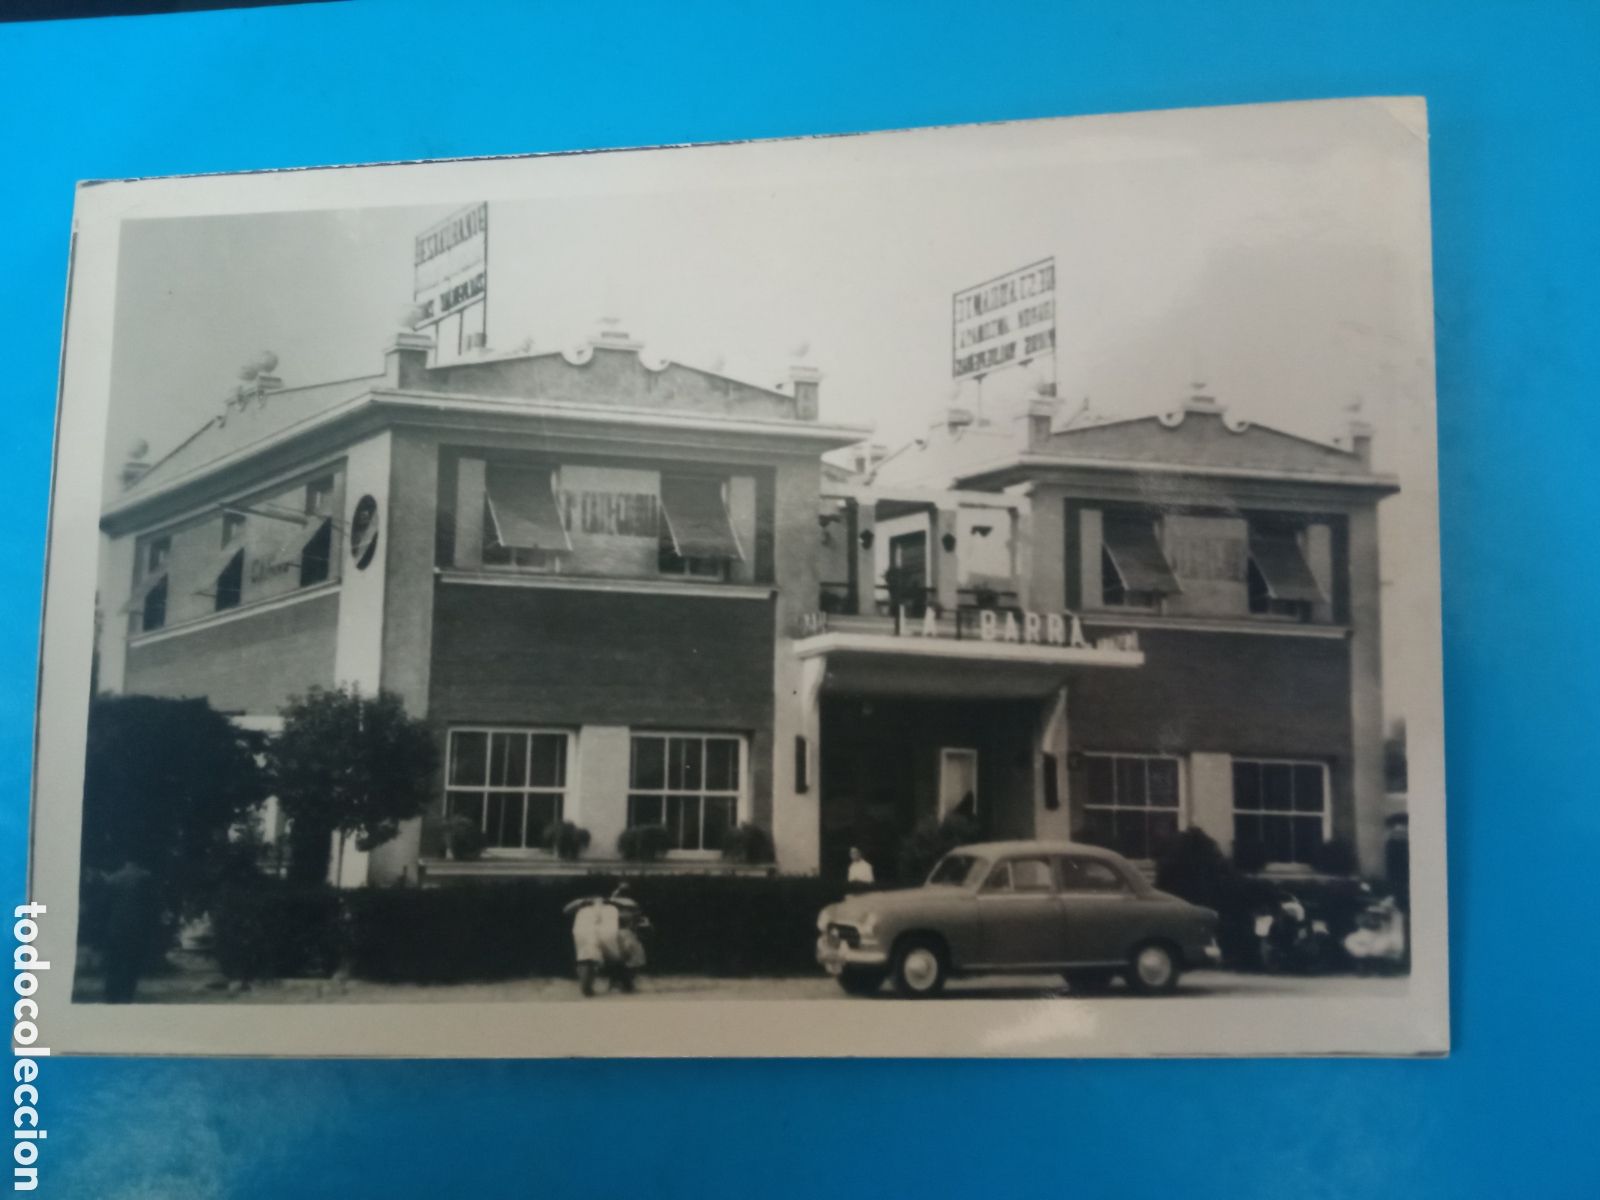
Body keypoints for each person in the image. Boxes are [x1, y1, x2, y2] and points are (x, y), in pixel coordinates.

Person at [97, 858, 158, 1004]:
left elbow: (104, 905)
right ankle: (127, 994)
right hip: (138, 928)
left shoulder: (113, 879)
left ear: (124, 863)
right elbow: (152, 904)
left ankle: (111, 994)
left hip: (116, 926)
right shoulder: (146, 877)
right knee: (133, 963)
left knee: (114, 962)